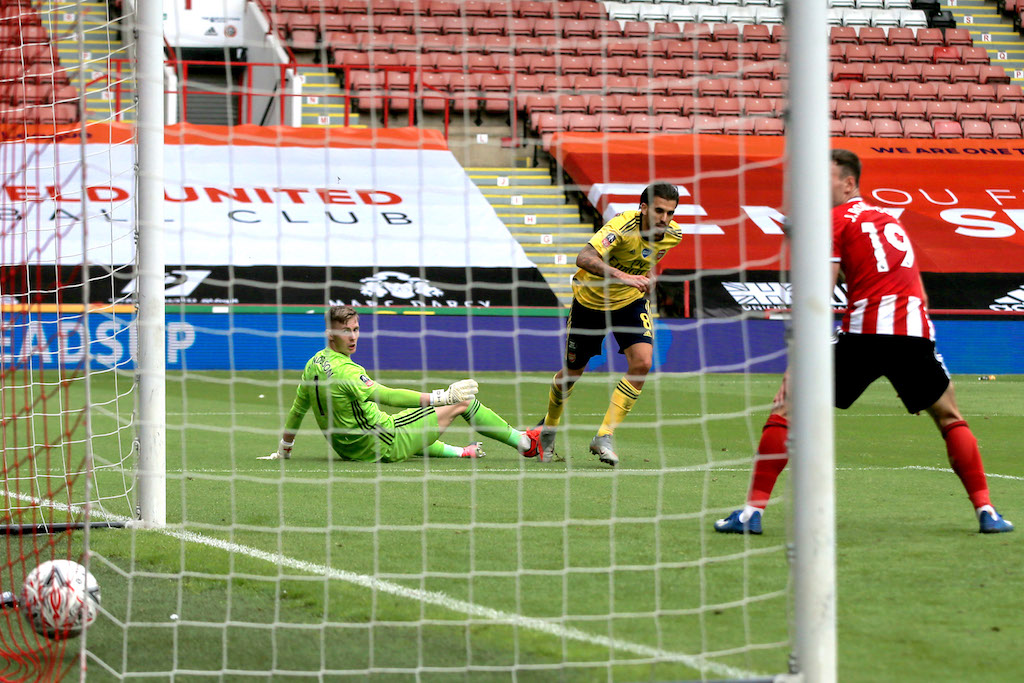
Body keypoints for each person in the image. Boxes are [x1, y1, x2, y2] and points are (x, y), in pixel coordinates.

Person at [714, 148, 1013, 535]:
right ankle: (987, 511)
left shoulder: (833, 221)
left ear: (848, 182)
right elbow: (914, 286)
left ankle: (751, 513)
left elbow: (821, 289)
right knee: (950, 417)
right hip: (914, 333)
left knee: (786, 408)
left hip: (866, 333)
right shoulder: (889, 220)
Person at [272, 305, 543, 463]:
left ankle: (463, 452)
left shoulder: (313, 363)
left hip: (350, 448)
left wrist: (285, 449)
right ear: (331, 333)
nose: (353, 337)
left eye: (355, 329)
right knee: (464, 401)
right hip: (382, 442)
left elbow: (299, 409)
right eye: (346, 331)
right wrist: (442, 397)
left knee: (410, 423)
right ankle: (525, 444)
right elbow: (388, 395)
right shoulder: (348, 371)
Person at [538, 182, 683, 466]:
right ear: (643, 208)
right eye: (658, 211)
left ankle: (604, 435)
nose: (664, 218)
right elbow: (584, 257)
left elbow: (646, 260)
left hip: (629, 302)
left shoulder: (673, 235)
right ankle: (549, 429)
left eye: (670, 212)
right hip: (590, 302)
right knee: (572, 372)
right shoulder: (621, 227)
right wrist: (624, 276)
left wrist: (646, 278)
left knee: (642, 363)